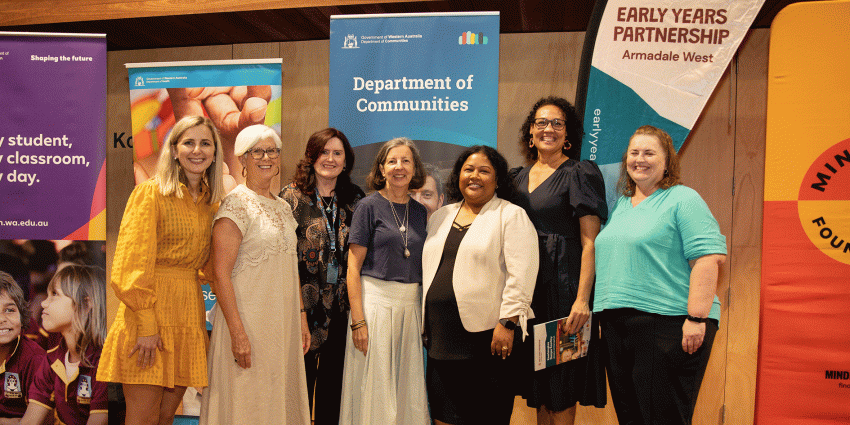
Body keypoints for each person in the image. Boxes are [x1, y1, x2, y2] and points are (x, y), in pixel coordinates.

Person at [594, 125, 727, 425]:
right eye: (634, 153)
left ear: (667, 162)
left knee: (662, 418)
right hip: (617, 324)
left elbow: (708, 259)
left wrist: (696, 318)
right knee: (631, 417)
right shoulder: (622, 205)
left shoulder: (683, 199)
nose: (639, 159)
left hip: (670, 324)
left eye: (649, 153)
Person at [98, 115, 225, 425]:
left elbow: (212, 267)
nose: (197, 150)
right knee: (142, 418)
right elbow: (130, 264)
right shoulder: (150, 193)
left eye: (205, 143)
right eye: (189, 142)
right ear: (174, 149)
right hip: (149, 316)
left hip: (188, 315)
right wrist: (146, 324)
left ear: (215, 152)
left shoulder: (212, 203)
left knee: (166, 417)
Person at [200, 124, 311, 425]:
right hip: (247, 325)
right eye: (257, 151)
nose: (267, 158)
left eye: (272, 151)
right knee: (248, 401)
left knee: (275, 399)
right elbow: (219, 275)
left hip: (281, 326)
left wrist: (301, 317)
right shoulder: (235, 205)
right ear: (242, 159)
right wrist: (237, 333)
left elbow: (290, 267)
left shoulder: (284, 207)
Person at [422, 145, 538, 425]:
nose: (474, 176)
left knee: (486, 417)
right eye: (468, 169)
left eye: (484, 171)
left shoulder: (511, 215)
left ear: (497, 180)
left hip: (488, 340)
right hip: (441, 339)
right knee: (443, 416)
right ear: (458, 175)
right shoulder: (440, 216)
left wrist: (508, 322)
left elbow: (522, 275)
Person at [512, 96, 609, 424]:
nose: (548, 129)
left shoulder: (579, 173)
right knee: (539, 388)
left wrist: (582, 300)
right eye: (541, 122)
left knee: (562, 384)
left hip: (565, 293)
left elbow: (590, 242)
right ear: (531, 132)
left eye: (557, 123)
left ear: (568, 133)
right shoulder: (516, 178)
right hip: (529, 293)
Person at [339, 137, 430, 425]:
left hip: (410, 308)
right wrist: (358, 322)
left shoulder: (420, 212)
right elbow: (352, 268)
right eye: (392, 161)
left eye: (406, 161)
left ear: (414, 168)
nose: (399, 167)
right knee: (375, 389)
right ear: (381, 168)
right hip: (375, 307)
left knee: (406, 391)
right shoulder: (368, 206)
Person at [280, 128, 365, 425]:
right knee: (298, 391)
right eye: (324, 152)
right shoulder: (290, 198)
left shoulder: (355, 199)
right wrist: (300, 312)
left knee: (333, 392)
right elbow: (283, 260)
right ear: (311, 156)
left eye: (337, 153)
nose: (330, 159)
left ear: (346, 160)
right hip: (301, 310)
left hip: (340, 310)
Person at [23, 264, 107, 425]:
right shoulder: (52, 359)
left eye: (55, 294)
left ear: (86, 304)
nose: (43, 304)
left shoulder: (105, 362)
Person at [0, 272, 48, 423]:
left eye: (9, 310)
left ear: (21, 315)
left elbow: (42, 420)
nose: (1, 319)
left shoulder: (35, 359)